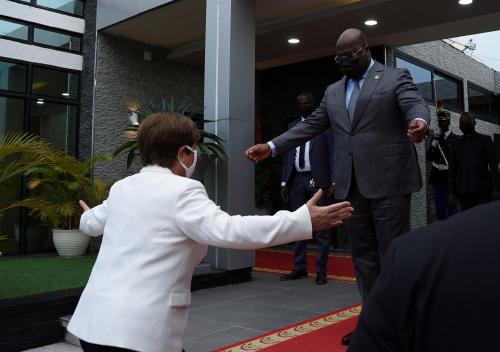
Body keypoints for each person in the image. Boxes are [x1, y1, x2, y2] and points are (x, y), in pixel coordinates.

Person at [67, 112, 353, 352]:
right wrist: (302, 221)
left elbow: (91, 224)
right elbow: (231, 231)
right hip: (142, 332)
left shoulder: (122, 188)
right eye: (194, 150)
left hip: (93, 325)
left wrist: (87, 214)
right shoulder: (183, 190)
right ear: (183, 153)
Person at [245, 28, 430, 345]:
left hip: (389, 179)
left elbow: (414, 104)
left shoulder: (394, 77)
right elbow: (310, 126)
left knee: (393, 254)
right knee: (363, 258)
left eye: (350, 55)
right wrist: (272, 147)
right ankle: (373, 323)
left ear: (365, 48)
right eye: (339, 57)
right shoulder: (332, 92)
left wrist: (420, 123)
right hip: (350, 184)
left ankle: (404, 323)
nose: (344, 61)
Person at [348, 200, 500, 352]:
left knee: (400, 266)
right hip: (350, 189)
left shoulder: (414, 255)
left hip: (389, 189)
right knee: (364, 258)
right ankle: (375, 320)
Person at [280, 92, 335, 285]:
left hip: (317, 180)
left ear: (315, 103)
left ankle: (321, 271)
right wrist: (284, 182)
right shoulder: (293, 126)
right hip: (296, 180)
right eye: (300, 102)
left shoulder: (325, 126)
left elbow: (332, 153)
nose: (304, 105)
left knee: (321, 227)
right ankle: (299, 268)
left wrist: (332, 181)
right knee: (297, 224)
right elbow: (288, 155)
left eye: (307, 102)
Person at [448, 112, 500, 211]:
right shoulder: (455, 144)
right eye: (462, 122)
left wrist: (496, 188)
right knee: (467, 222)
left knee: (483, 220)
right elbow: (452, 170)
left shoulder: (486, 140)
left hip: (483, 190)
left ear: (474, 123)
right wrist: (451, 192)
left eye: (467, 122)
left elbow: (493, 166)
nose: (464, 124)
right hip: (463, 191)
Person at [425, 107, 458, 220]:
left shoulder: (455, 139)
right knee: (440, 208)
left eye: (443, 121)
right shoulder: (436, 137)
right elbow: (429, 156)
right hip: (437, 177)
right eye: (440, 121)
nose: (441, 123)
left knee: (451, 208)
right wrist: (434, 139)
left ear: (449, 121)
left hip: (449, 178)